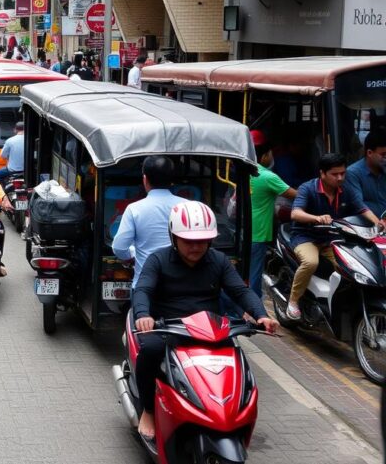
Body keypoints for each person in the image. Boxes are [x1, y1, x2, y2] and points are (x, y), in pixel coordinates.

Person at [132, 201, 279, 440]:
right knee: (150, 350)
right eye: (189, 240)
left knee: (235, 358)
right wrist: (143, 315)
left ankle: (225, 411)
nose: (196, 246)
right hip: (167, 327)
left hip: (209, 329)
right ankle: (148, 410)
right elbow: (143, 290)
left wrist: (261, 315)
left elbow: (240, 291)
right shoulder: (157, 260)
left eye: (202, 240)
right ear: (173, 237)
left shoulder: (219, 261)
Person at [287, 153, 385, 319]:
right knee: (311, 262)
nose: (340, 178)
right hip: (306, 237)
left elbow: (362, 208)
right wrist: (316, 218)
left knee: (353, 266)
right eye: (335, 174)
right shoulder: (308, 188)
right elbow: (295, 214)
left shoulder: (346, 190)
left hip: (332, 238)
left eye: (343, 173)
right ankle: (293, 301)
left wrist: (378, 224)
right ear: (322, 173)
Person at [112, 155, 187, 288]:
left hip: (146, 287)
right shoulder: (188, 206)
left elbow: (119, 248)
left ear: (145, 179)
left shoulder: (134, 209)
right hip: (181, 286)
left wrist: (133, 252)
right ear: (171, 180)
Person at [248, 131, 296, 301]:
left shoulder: (244, 169)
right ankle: (253, 313)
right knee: (254, 276)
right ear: (265, 155)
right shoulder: (267, 176)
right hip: (258, 232)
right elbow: (295, 195)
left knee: (243, 274)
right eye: (270, 154)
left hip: (242, 229)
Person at [346, 131, 386, 219]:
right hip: (367, 226)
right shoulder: (353, 173)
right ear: (369, 153)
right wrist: (380, 224)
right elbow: (358, 205)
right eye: (383, 155)